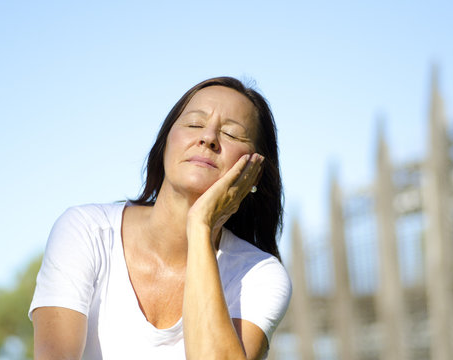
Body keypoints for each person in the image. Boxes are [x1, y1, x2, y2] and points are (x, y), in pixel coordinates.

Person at [29, 76, 292, 359]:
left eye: (230, 134)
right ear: (165, 142)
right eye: (194, 124)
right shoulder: (85, 231)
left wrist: (201, 226)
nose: (208, 138)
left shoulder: (260, 274)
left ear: (254, 171)